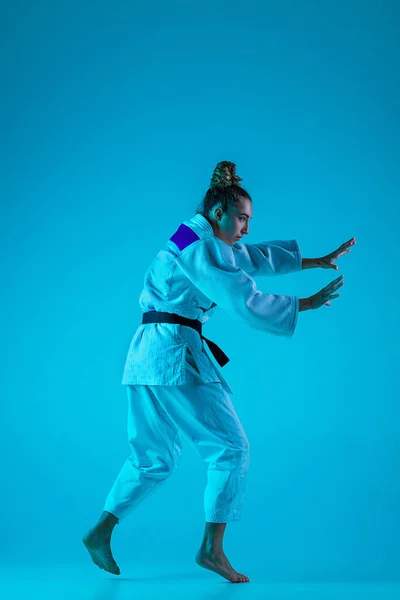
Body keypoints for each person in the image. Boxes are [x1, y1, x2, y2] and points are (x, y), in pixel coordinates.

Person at [82, 161, 355, 583]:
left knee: (152, 456)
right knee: (230, 448)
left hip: (145, 355)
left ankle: (101, 530)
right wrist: (305, 304)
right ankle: (212, 548)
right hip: (173, 353)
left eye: (249, 220)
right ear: (218, 213)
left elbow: (245, 257)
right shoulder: (201, 247)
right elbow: (241, 297)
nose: (245, 228)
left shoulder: (193, 237)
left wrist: (313, 260)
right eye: (242, 218)